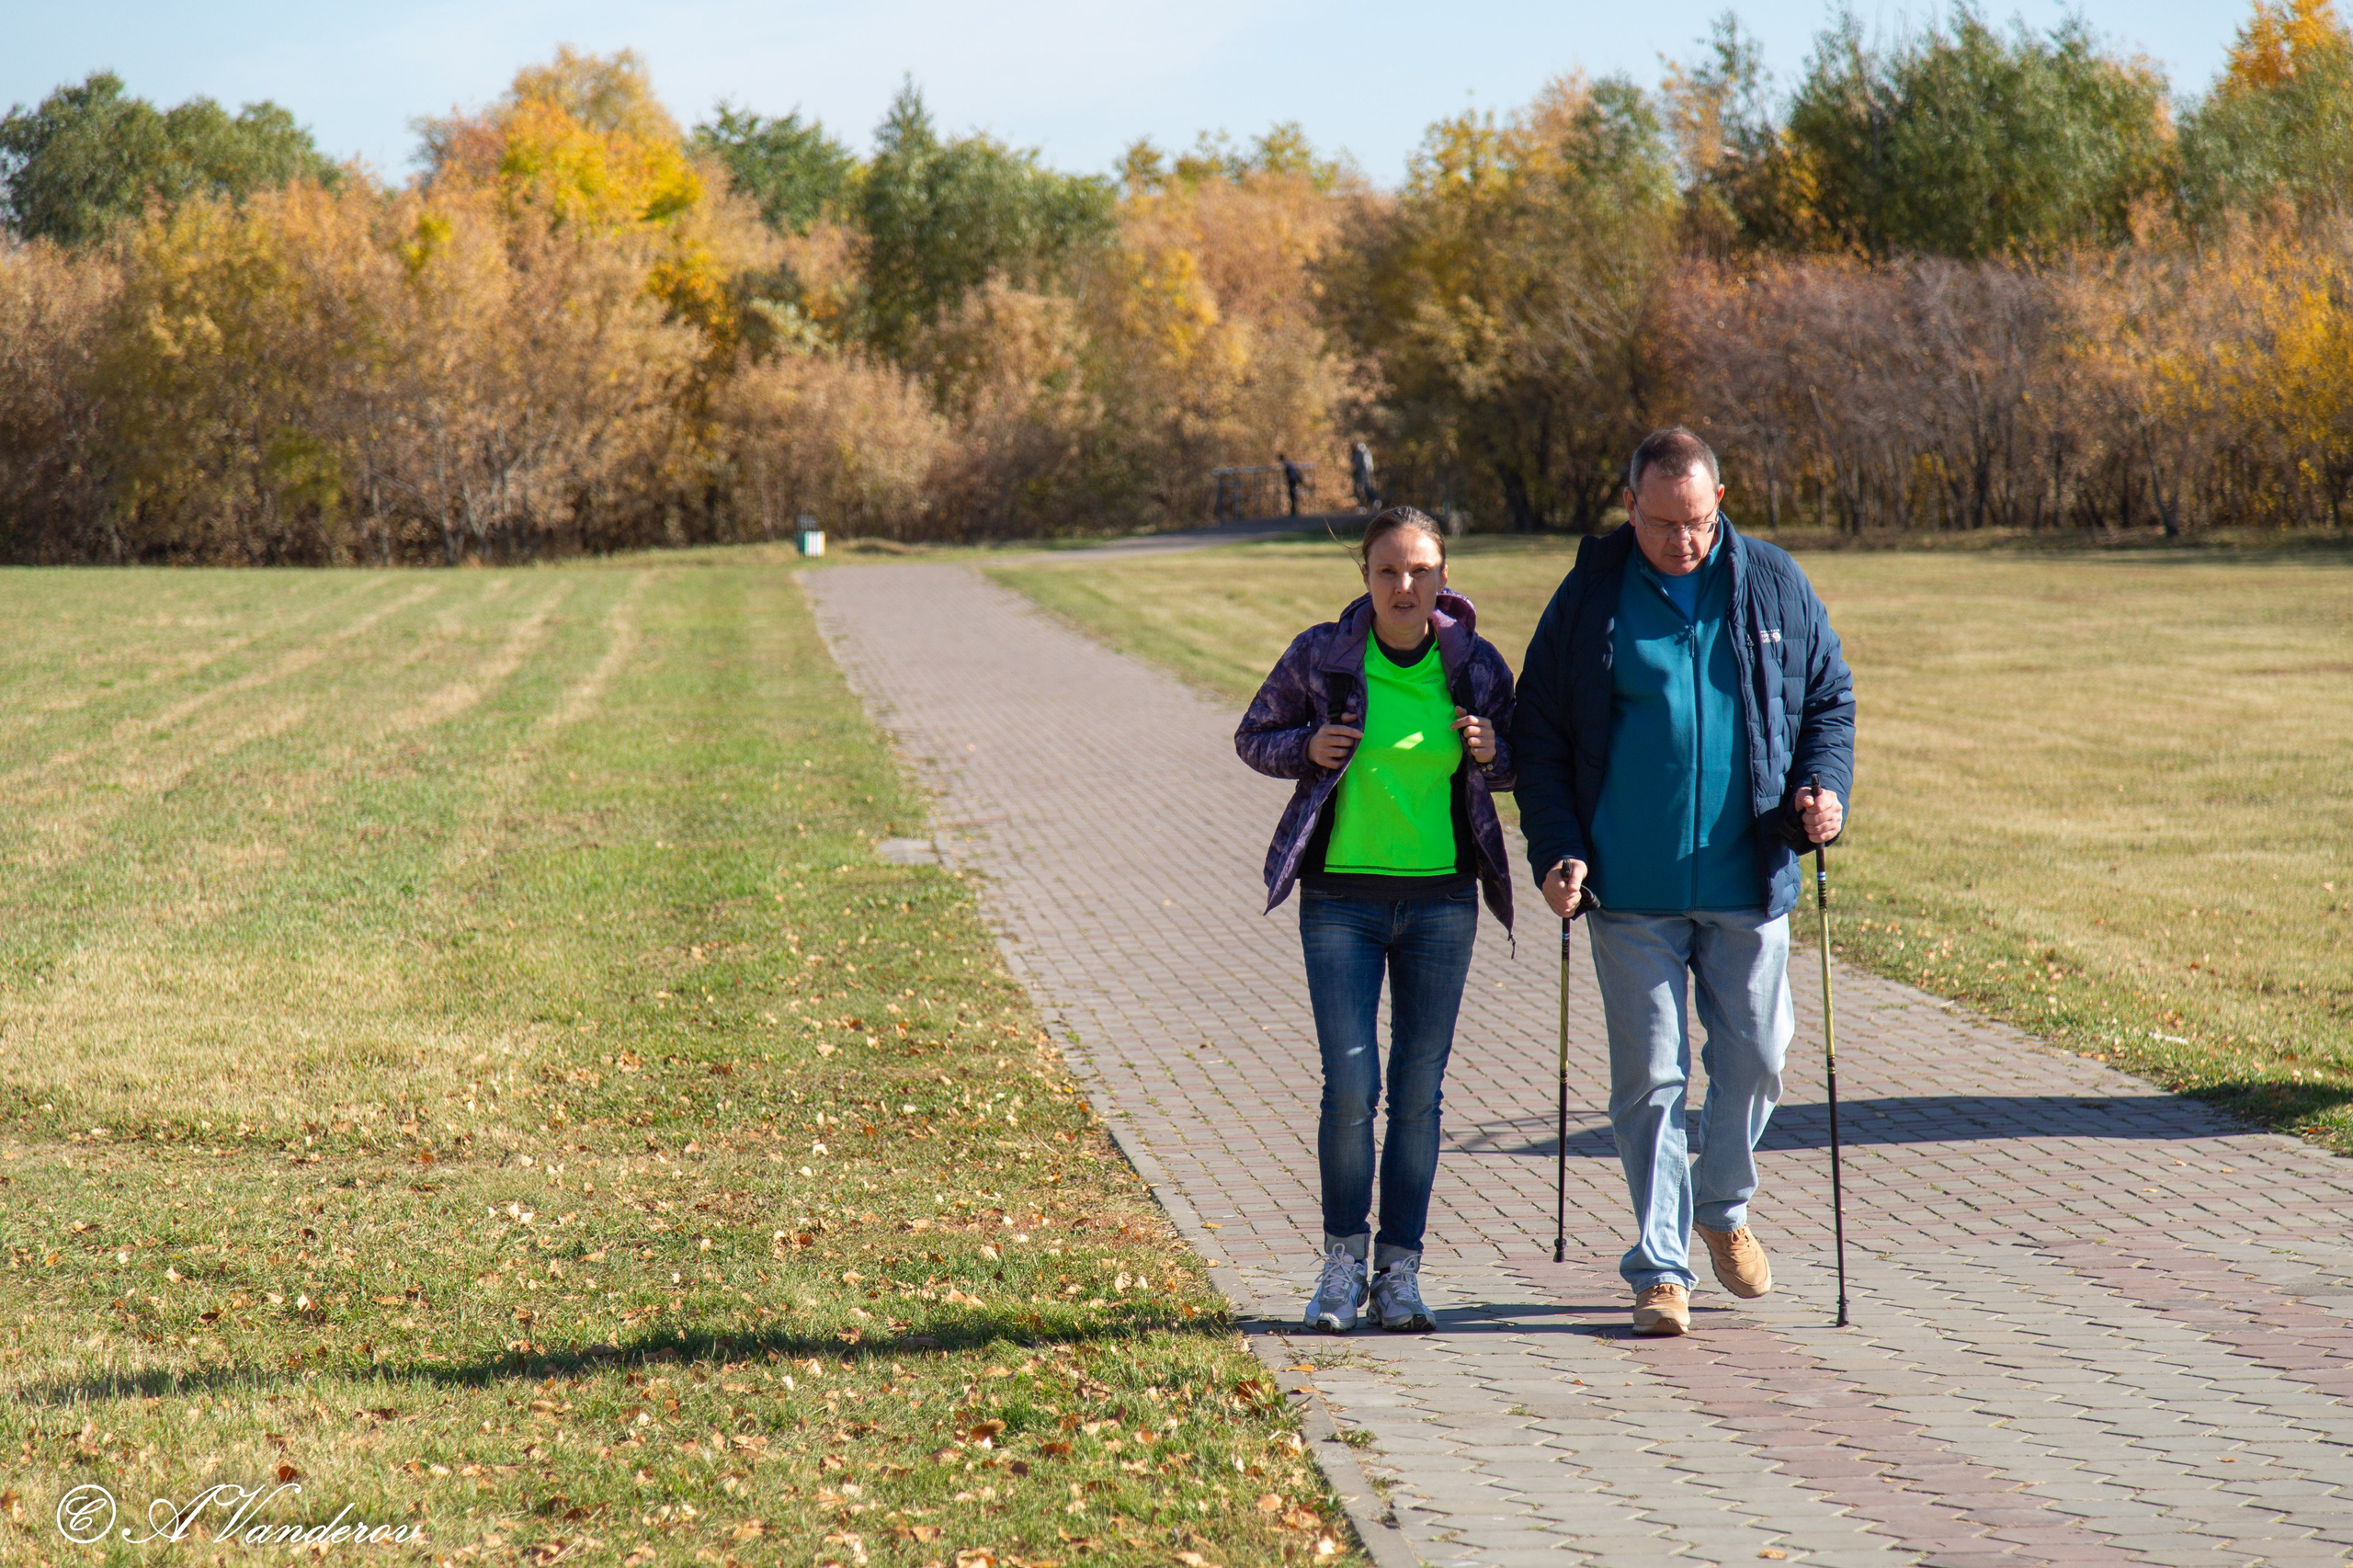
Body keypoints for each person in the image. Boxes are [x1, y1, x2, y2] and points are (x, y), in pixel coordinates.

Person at [1512, 427, 1853, 1337]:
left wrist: (1824, 792)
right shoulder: (1591, 595)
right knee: (1650, 1080)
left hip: (1750, 874)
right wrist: (1556, 848)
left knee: (1758, 1055)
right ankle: (1661, 1266)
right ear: (1629, 506)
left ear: (1720, 499)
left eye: (1698, 521)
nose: (1683, 542)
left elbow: (1827, 699)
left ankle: (1723, 1207)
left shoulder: (1772, 579)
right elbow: (1538, 732)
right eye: (1664, 523)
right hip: (1629, 888)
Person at [1236, 506, 1518, 1334]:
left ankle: (1400, 1273)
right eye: (1388, 570)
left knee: (1420, 1094)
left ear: (1443, 579)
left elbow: (1522, 760)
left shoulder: (1473, 667)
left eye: (1420, 570)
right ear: (1364, 576)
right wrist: (1307, 748)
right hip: (1341, 903)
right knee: (1352, 1087)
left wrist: (1492, 749)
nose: (1404, 586)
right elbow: (1254, 736)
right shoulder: (1323, 657)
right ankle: (1338, 1266)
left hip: (1441, 903)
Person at [1350, 441, 1381, 511]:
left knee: (1366, 488)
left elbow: (1365, 466)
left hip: (1363, 474)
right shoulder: (1364, 453)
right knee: (1362, 489)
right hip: (1362, 474)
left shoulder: (1362, 454)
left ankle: (1373, 503)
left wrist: (1365, 474)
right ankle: (1367, 504)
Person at [1279, 453, 1306, 517]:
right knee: (1292, 495)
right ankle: (1293, 509)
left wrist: (1289, 478)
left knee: (1292, 495)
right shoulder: (1289, 463)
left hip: (1292, 480)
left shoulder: (1287, 464)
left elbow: (1291, 474)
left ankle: (1294, 510)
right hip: (1293, 480)